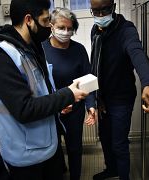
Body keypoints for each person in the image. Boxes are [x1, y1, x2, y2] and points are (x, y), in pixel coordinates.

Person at [0, 0, 89, 179]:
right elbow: (24, 109)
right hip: (26, 155)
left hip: (45, 146)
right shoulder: (0, 56)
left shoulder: (29, 49)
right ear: (29, 20)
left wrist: (58, 104)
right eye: (46, 21)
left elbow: (40, 91)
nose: (48, 26)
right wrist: (68, 94)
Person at [89, 0, 149, 179]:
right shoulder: (95, 31)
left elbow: (137, 54)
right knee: (105, 139)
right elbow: (95, 63)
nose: (100, 15)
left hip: (121, 98)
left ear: (114, 7)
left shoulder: (126, 30)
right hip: (103, 97)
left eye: (105, 10)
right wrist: (96, 96)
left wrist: (148, 83)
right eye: (95, 11)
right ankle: (112, 169)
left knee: (119, 143)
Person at [42, 7, 96, 180]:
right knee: (53, 151)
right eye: (61, 28)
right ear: (51, 26)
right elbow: (39, 84)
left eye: (69, 28)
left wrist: (91, 106)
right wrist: (56, 105)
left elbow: (88, 81)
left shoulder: (78, 50)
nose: (66, 32)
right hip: (51, 111)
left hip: (75, 110)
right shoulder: (40, 50)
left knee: (75, 149)